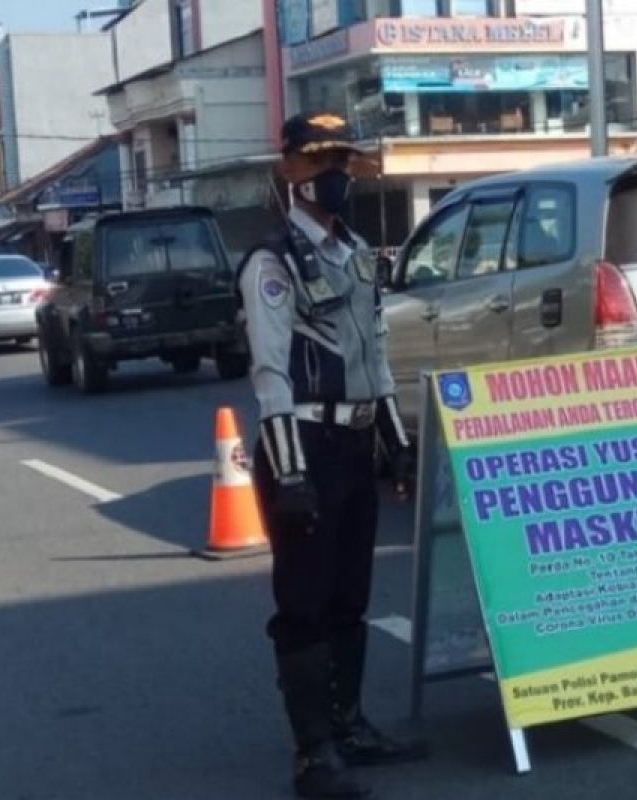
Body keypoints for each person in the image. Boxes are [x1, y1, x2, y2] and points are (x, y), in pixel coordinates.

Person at [240, 112, 425, 800]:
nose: (337, 175)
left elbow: (375, 355)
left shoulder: (354, 253)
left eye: (343, 162)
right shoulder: (274, 260)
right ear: (292, 172)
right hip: (304, 444)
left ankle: (349, 726)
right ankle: (314, 754)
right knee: (306, 601)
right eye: (322, 164)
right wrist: (288, 471)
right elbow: (270, 373)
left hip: (353, 442)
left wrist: (396, 448)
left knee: (351, 595)